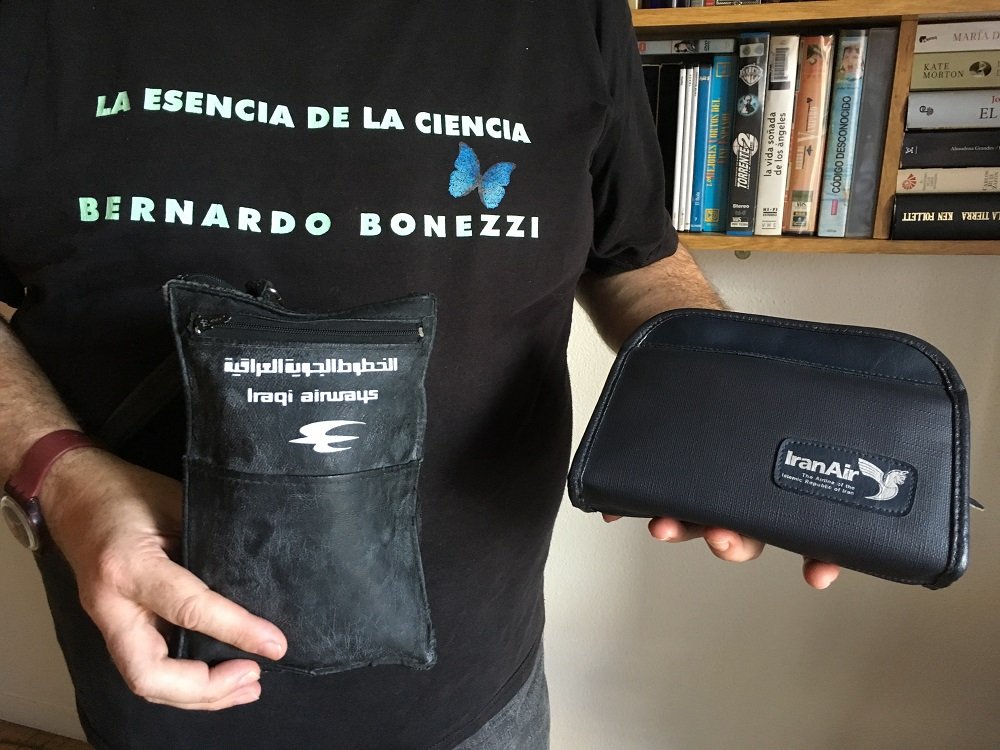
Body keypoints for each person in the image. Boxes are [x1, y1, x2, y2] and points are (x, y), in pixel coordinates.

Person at [0, 2, 839, 748]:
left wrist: (741, 414)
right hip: (163, 683)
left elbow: (633, 257)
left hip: (480, 693)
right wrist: (57, 476)